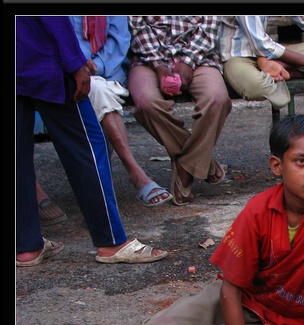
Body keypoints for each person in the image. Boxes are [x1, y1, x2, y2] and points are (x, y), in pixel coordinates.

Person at [139, 114, 304, 325]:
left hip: (288, 323)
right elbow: (231, 289)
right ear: (277, 166)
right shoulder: (259, 210)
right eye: (302, 161)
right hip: (247, 298)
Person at [16, 16, 168, 267]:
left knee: (17, 153)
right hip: (42, 58)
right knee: (87, 146)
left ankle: (26, 246)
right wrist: (74, 63)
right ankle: (111, 241)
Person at [68, 15, 172, 206]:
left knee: (100, 90)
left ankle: (99, 192)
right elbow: (63, 39)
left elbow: (118, 42)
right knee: (98, 91)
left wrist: (95, 66)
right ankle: (135, 172)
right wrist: (78, 65)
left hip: (108, 71)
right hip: (72, 71)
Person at [127, 16, 232, 206]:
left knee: (217, 99)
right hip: (148, 60)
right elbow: (137, 28)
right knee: (147, 104)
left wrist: (188, 62)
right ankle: (202, 162)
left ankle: (185, 166)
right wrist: (158, 65)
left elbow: (210, 25)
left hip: (199, 57)